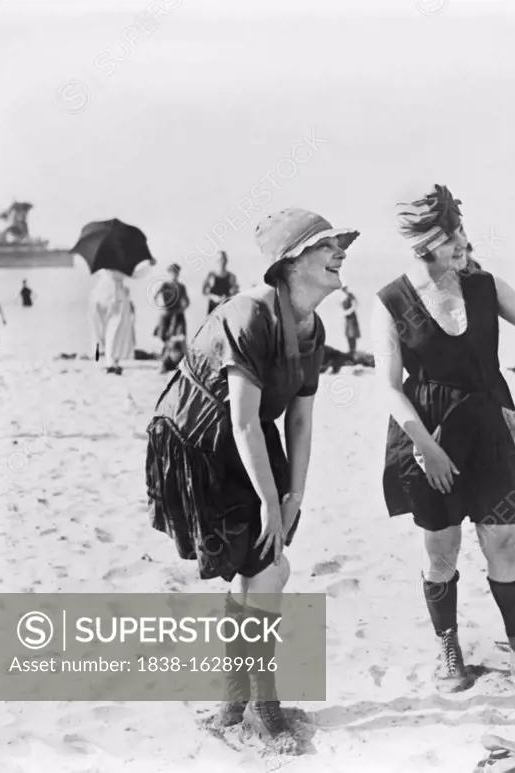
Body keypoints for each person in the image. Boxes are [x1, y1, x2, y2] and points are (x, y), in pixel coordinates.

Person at [145, 208, 357, 744]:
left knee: (264, 568)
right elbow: (239, 418)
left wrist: (294, 493)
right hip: (202, 446)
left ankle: (233, 707)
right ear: (290, 263)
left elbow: (301, 418)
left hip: (250, 440)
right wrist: (269, 498)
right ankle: (262, 708)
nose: (340, 253)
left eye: (341, 246)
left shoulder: (313, 326)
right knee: (267, 570)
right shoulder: (248, 315)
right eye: (326, 247)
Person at [373, 184, 515, 692]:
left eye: (461, 232)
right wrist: (426, 446)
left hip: (492, 425)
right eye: (452, 236)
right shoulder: (390, 302)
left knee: (503, 539)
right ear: (424, 244)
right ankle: (449, 650)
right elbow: (387, 387)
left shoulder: (484, 285)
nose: (464, 241)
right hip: (430, 434)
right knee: (441, 548)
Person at [88, 269, 136, 374]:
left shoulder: (106, 272)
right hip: (108, 300)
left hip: (111, 299)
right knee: (108, 332)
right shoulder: (107, 273)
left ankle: (111, 361)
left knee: (112, 331)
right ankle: (110, 360)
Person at [154, 263, 190, 347]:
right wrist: (161, 308)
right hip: (166, 312)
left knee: (181, 336)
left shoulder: (181, 287)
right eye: (172, 272)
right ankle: (166, 352)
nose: (174, 274)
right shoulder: (165, 285)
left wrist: (182, 309)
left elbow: (187, 301)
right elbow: (156, 297)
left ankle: (181, 354)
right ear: (169, 273)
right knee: (163, 335)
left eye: (176, 272)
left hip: (178, 313)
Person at [340, 286, 360, 354]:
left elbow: (355, 304)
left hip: (351, 318)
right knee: (348, 334)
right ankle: (350, 350)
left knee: (352, 334)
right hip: (346, 319)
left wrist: (348, 312)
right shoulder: (342, 297)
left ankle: (353, 350)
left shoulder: (350, 296)